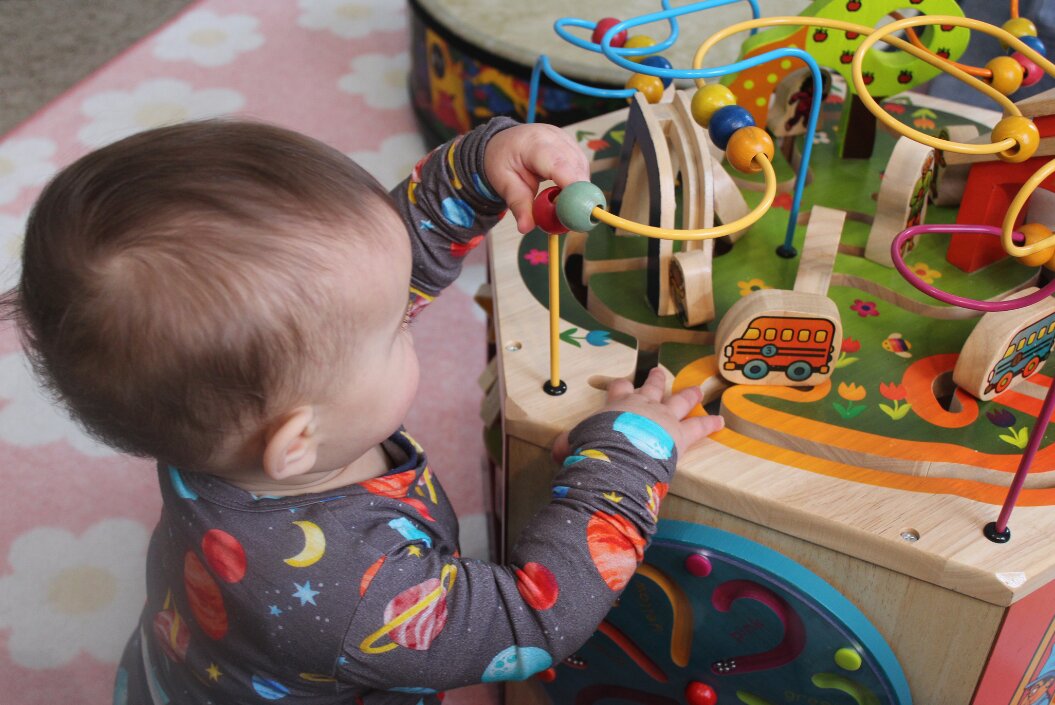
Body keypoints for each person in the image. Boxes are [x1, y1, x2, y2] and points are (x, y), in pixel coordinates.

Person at [0, 116, 722, 704]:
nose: (412, 308)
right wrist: (628, 455)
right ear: (299, 438)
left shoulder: (209, 405)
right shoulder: (354, 596)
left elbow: (365, 273)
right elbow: (533, 617)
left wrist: (478, 167)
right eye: (395, 329)